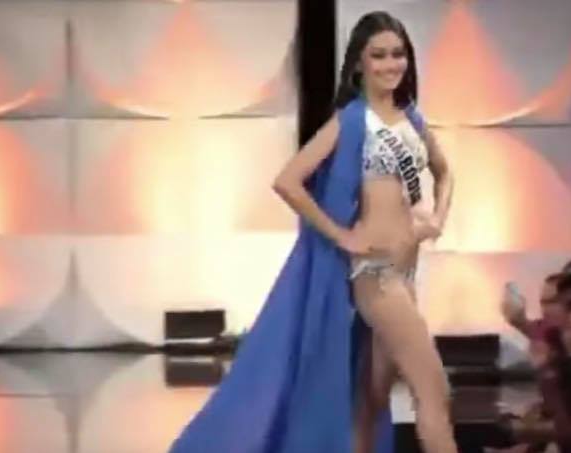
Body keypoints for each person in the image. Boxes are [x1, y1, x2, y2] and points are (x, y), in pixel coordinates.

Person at [168, 11, 458, 453]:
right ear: (359, 63)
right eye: (378, 55)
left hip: (406, 274)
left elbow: (444, 172)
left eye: (398, 54)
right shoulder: (352, 120)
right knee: (433, 387)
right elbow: (288, 181)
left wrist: (437, 217)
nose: (390, 64)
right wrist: (341, 236)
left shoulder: (412, 119)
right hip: (376, 276)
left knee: (371, 400)